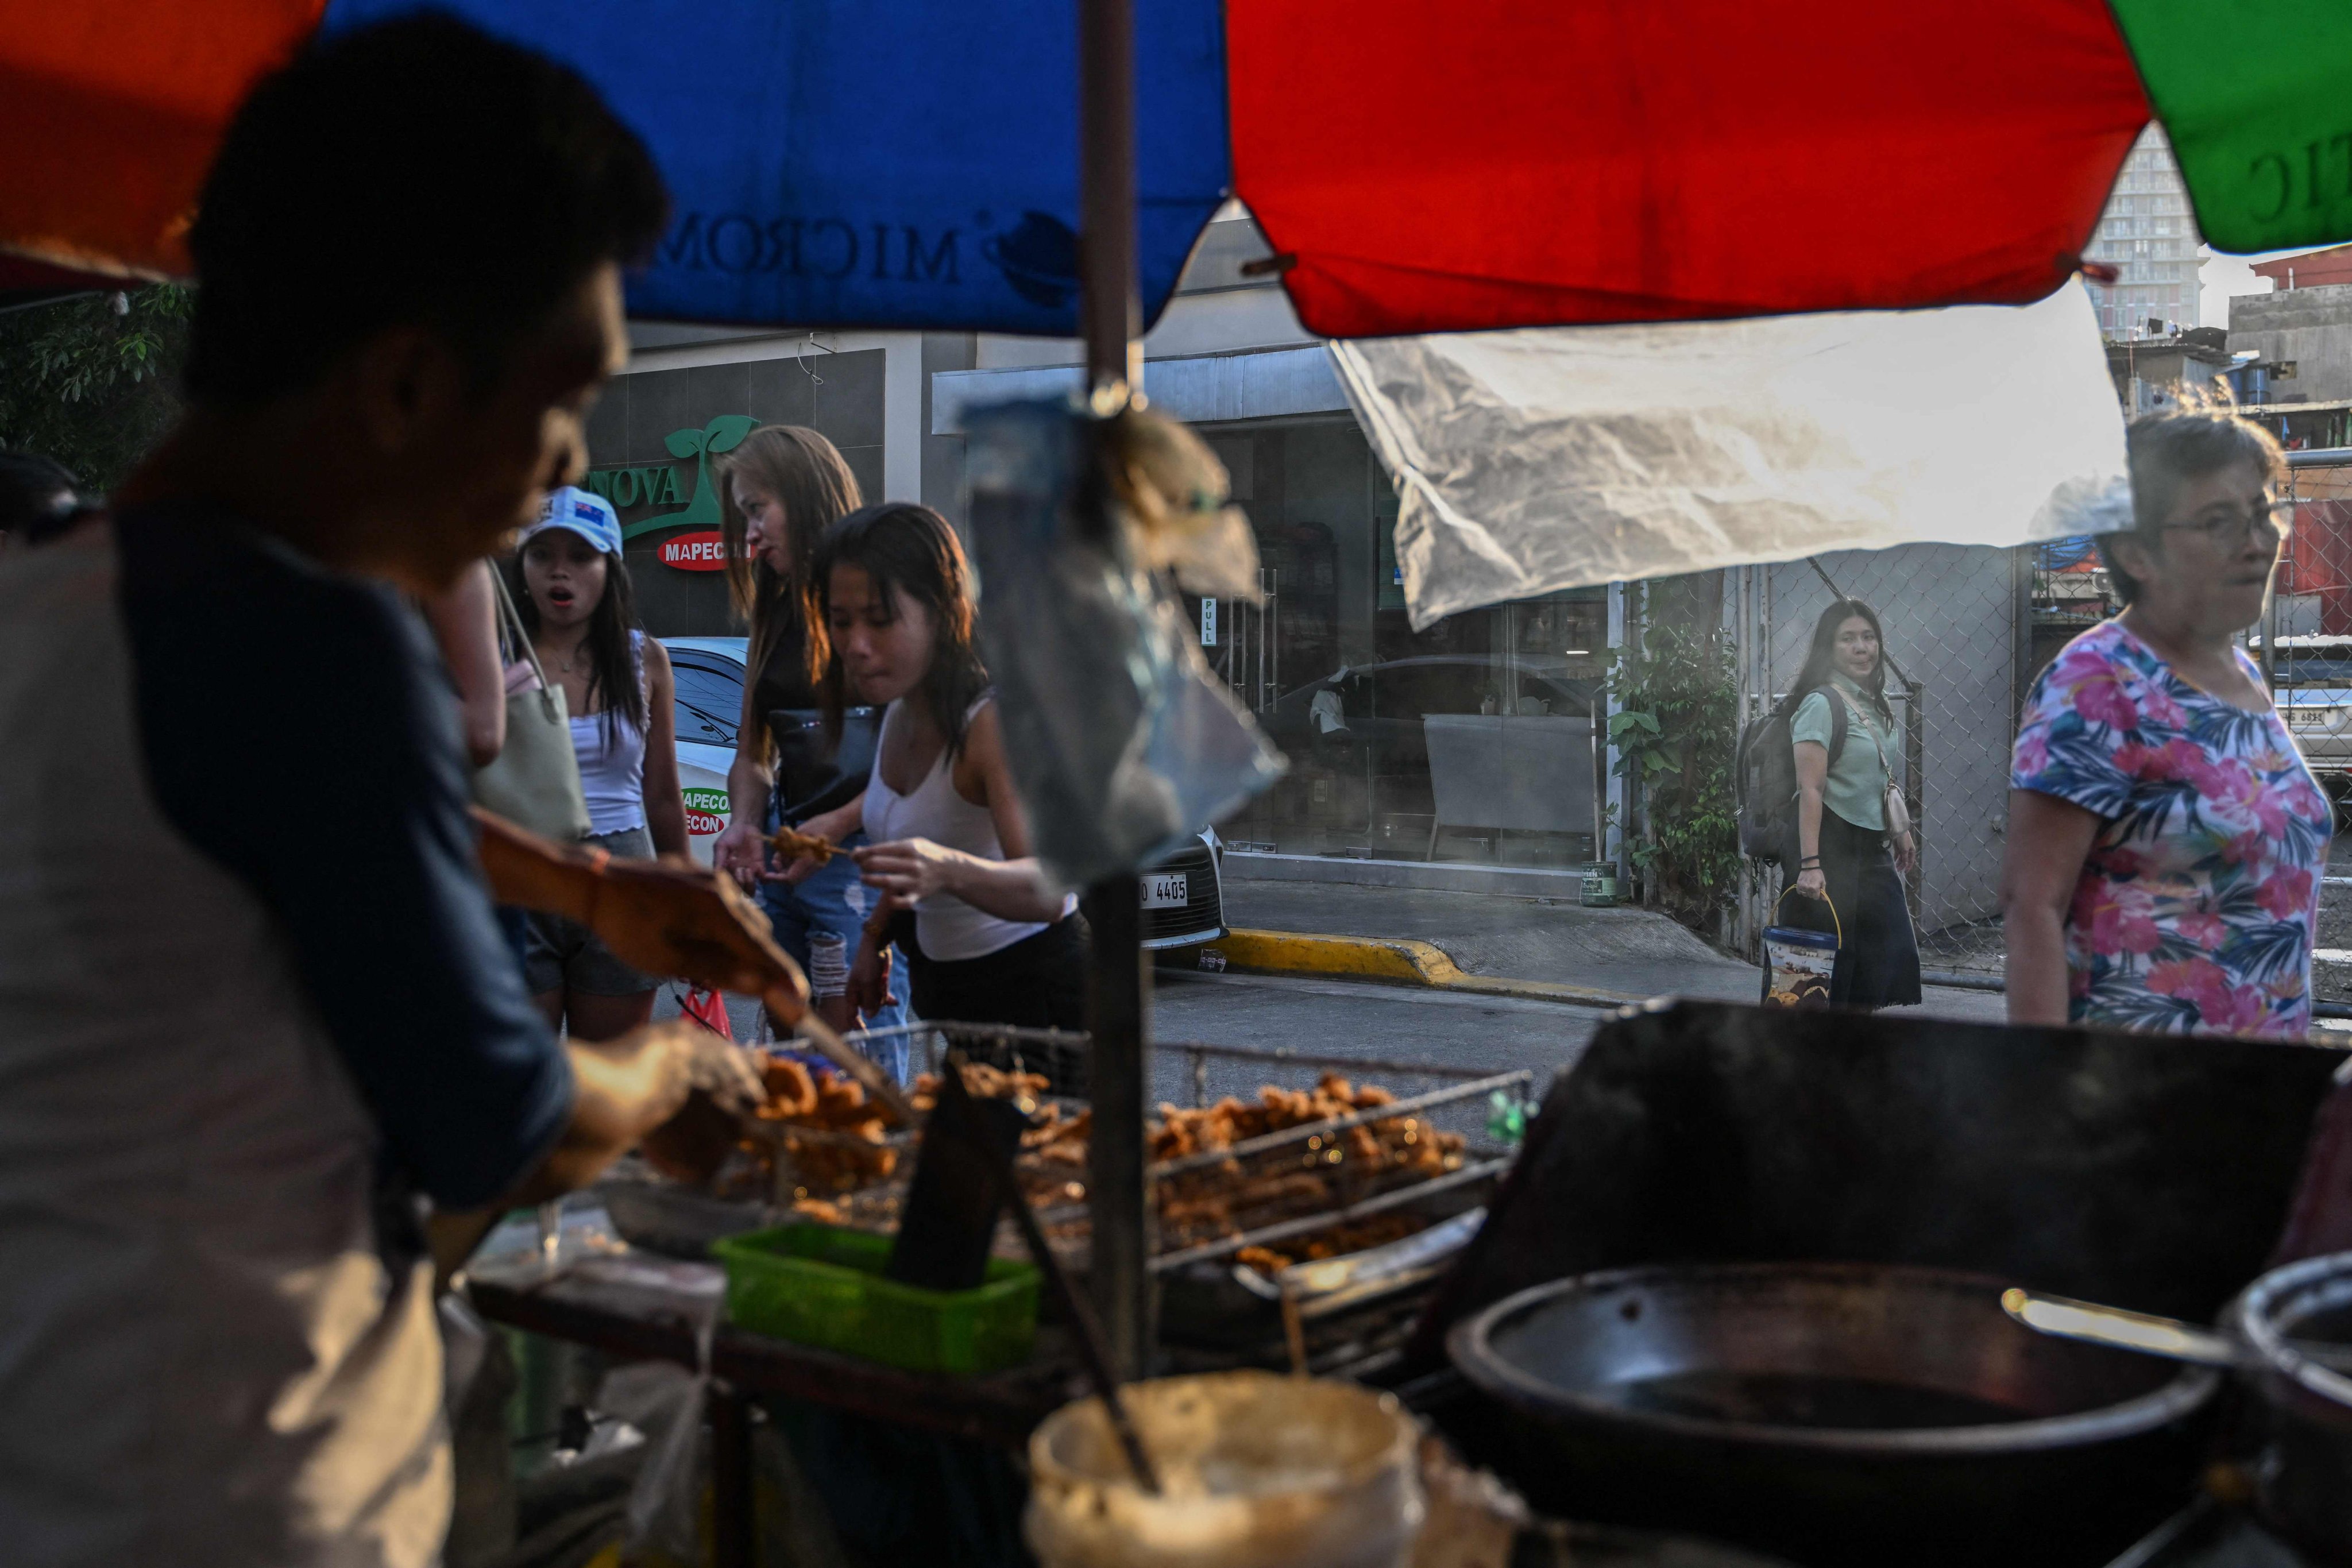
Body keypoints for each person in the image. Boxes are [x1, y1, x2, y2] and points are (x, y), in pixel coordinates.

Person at [0, 20, 775, 1565]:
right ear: (410, 383)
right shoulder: (314, 638)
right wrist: (677, 1084)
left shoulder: (59, 589)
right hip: (231, 1490)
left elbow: (233, 832)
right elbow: (503, 1125)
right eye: (556, 411)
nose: (553, 473)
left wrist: (584, 887)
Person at [2003, 404, 2331, 1038]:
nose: (2258, 541)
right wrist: (2039, 1100)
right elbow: (2031, 906)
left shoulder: (2241, 674)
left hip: (2256, 1096)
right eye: (2219, 522)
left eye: (2262, 514)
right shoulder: (2100, 681)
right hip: (2137, 1097)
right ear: (2137, 552)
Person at [788, 503, 1086, 1032]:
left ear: (941, 611)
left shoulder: (991, 722)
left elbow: (1049, 890)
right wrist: (873, 940)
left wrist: (947, 869)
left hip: (1039, 998)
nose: (856, 646)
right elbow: (912, 846)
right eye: (840, 621)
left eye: (880, 621)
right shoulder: (900, 708)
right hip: (950, 994)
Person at [706, 425, 910, 1055]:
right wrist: (742, 821)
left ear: (807, 495)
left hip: (861, 860)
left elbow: (927, 753)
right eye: (743, 517)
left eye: (757, 510)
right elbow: (751, 754)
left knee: (860, 1054)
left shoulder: (879, 604)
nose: (750, 535)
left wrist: (840, 821)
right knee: (791, 1055)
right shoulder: (772, 612)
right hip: (786, 858)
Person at [511, 485, 689, 1038]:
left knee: (610, 1083)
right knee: (526, 1087)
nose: (558, 574)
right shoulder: (494, 657)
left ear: (610, 567)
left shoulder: (645, 659)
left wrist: (684, 902)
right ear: (521, 567)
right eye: (542, 555)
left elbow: (663, 796)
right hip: (522, 874)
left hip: (623, 878)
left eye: (581, 557)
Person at [1785, 597, 1924, 1010]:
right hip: (1826, 846)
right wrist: (1810, 866)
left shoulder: (1872, 703)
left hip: (1870, 847)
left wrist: (1899, 831)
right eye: (1847, 639)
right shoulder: (1820, 704)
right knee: (1817, 975)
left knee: (1882, 958)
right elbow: (1809, 790)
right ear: (1828, 648)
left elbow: (1879, 775)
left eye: (1868, 637)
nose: (1862, 647)